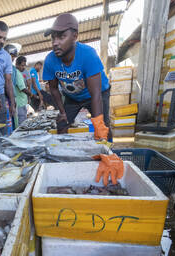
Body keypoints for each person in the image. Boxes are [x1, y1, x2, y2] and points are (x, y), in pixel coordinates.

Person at [42, 13, 122, 185]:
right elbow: (54, 89)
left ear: (75, 36)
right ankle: (63, 157)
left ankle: (110, 156)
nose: (55, 42)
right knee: (61, 123)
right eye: (53, 38)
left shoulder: (88, 55)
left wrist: (98, 123)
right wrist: (62, 112)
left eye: (61, 36)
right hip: (72, 97)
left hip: (98, 93)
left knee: (104, 127)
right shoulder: (50, 60)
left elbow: (96, 95)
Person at [4, 47, 34, 126]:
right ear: (17, 64)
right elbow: (22, 88)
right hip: (18, 102)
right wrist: (31, 95)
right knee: (21, 124)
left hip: (19, 102)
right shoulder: (15, 71)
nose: (23, 67)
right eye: (22, 65)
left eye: (14, 56)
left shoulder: (16, 71)